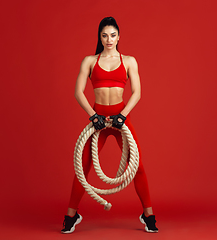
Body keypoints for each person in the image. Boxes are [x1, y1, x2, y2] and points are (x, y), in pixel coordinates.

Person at [61, 16, 158, 234]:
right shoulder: (89, 61)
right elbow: (78, 92)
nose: (109, 39)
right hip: (98, 120)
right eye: (104, 35)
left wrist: (122, 115)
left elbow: (138, 93)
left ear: (119, 36)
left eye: (113, 35)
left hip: (120, 117)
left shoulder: (130, 61)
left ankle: (149, 214)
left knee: (138, 166)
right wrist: (92, 116)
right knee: (83, 166)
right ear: (100, 37)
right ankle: (70, 215)